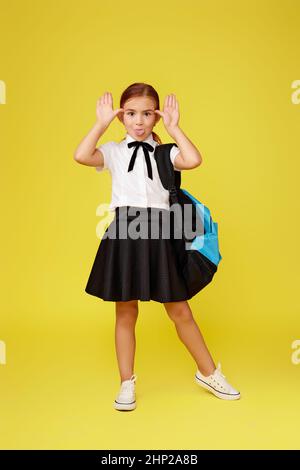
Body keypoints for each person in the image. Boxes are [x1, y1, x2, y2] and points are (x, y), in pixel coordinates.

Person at [74, 82, 241, 411]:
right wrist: (101, 123)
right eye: (132, 114)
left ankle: (208, 373)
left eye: (147, 114)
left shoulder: (166, 153)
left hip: (161, 234)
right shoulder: (113, 151)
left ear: (156, 117)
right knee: (125, 311)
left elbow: (193, 159)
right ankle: (126, 382)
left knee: (180, 311)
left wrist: (175, 128)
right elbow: (81, 155)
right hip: (125, 233)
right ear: (122, 116)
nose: (139, 121)